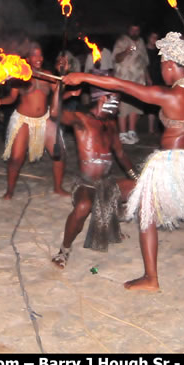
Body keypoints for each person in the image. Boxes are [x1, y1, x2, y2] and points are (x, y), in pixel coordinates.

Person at [63, 32, 184, 291]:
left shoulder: (169, 95)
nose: (161, 70)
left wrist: (83, 77)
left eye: (162, 65)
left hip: (172, 161)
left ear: (171, 65)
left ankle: (151, 278)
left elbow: (120, 85)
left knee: (147, 212)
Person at [50, 73, 138, 268]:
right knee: (83, 206)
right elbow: (55, 113)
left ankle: (111, 218)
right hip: (86, 184)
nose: (118, 106)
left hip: (107, 183)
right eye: (116, 100)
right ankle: (64, 250)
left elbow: (121, 154)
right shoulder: (81, 120)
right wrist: (60, 87)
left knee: (140, 189)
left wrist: (137, 178)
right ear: (103, 99)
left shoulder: (111, 125)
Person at [0, 44, 69, 199]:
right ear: (27, 58)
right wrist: (1, 101)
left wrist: (63, 73)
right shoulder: (20, 76)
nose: (38, 58)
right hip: (23, 120)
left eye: (40, 55)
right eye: (34, 55)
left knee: (59, 154)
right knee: (16, 158)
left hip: (44, 119)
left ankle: (58, 188)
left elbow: (59, 92)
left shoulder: (48, 75)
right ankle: (9, 191)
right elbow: (12, 98)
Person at [112, 24, 149, 144]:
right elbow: (116, 58)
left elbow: (145, 62)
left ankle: (131, 132)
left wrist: (148, 78)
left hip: (138, 80)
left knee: (135, 106)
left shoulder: (141, 42)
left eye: (136, 30)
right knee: (123, 107)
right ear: (128, 30)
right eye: (132, 30)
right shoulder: (121, 41)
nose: (134, 32)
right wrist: (126, 51)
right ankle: (122, 134)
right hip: (124, 79)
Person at [145, 31, 164, 135]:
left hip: (160, 78)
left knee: (160, 103)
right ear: (148, 38)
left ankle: (161, 127)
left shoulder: (159, 51)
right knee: (151, 104)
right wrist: (148, 77)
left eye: (156, 37)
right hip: (150, 78)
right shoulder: (144, 50)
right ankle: (150, 129)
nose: (154, 39)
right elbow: (144, 65)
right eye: (152, 37)